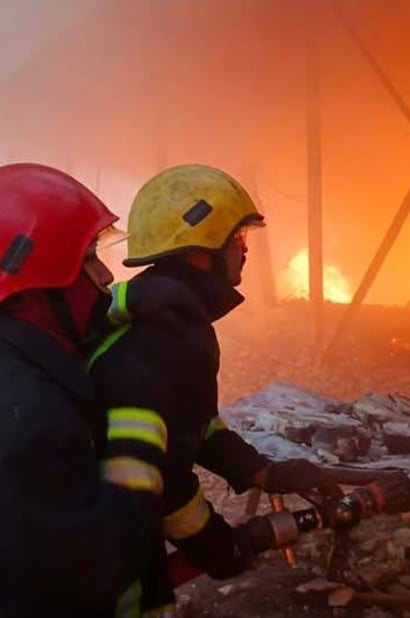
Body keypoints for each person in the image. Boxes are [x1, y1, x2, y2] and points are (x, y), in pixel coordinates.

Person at [0, 163, 180, 617]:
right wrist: (139, 422)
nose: (106, 278)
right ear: (39, 285)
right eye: (90, 260)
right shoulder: (15, 409)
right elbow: (94, 570)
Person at [87, 164, 344, 614]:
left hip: (111, 531)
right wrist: (215, 542)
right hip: (110, 557)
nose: (244, 252)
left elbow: (190, 421)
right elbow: (151, 475)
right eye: (238, 239)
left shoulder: (167, 317)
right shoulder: (165, 337)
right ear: (198, 252)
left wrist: (261, 471)